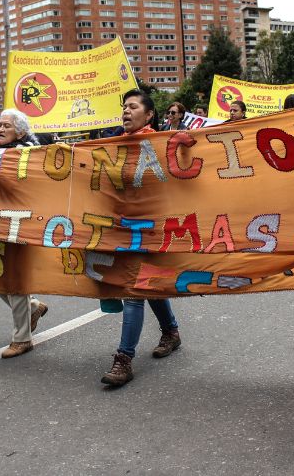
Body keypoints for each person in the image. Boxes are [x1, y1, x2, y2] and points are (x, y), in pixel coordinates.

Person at [102, 89, 181, 387]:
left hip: (153, 228)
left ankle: (123, 360)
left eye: (132, 106)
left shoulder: (161, 145)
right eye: (123, 107)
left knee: (134, 289)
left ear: (148, 115)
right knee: (146, 283)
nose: (125, 111)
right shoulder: (115, 145)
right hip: (124, 227)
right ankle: (171, 332)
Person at [0, 108, 49, 358]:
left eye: (6, 126)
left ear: (20, 131)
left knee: (14, 278)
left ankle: (22, 338)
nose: (0, 130)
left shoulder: (27, 154)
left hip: (19, 223)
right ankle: (33, 307)